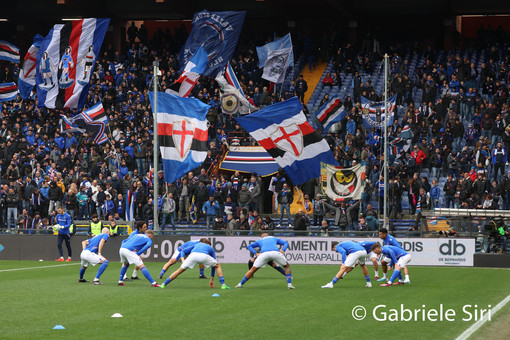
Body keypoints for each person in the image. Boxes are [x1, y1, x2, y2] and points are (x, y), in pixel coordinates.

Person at [161, 238, 230, 290]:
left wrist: (183, 260)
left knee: (179, 271)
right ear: (208, 244)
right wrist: (211, 280)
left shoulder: (196, 244)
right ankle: (223, 284)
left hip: (192, 255)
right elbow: (213, 266)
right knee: (217, 266)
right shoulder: (210, 248)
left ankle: (164, 284)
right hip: (203, 256)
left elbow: (183, 251)